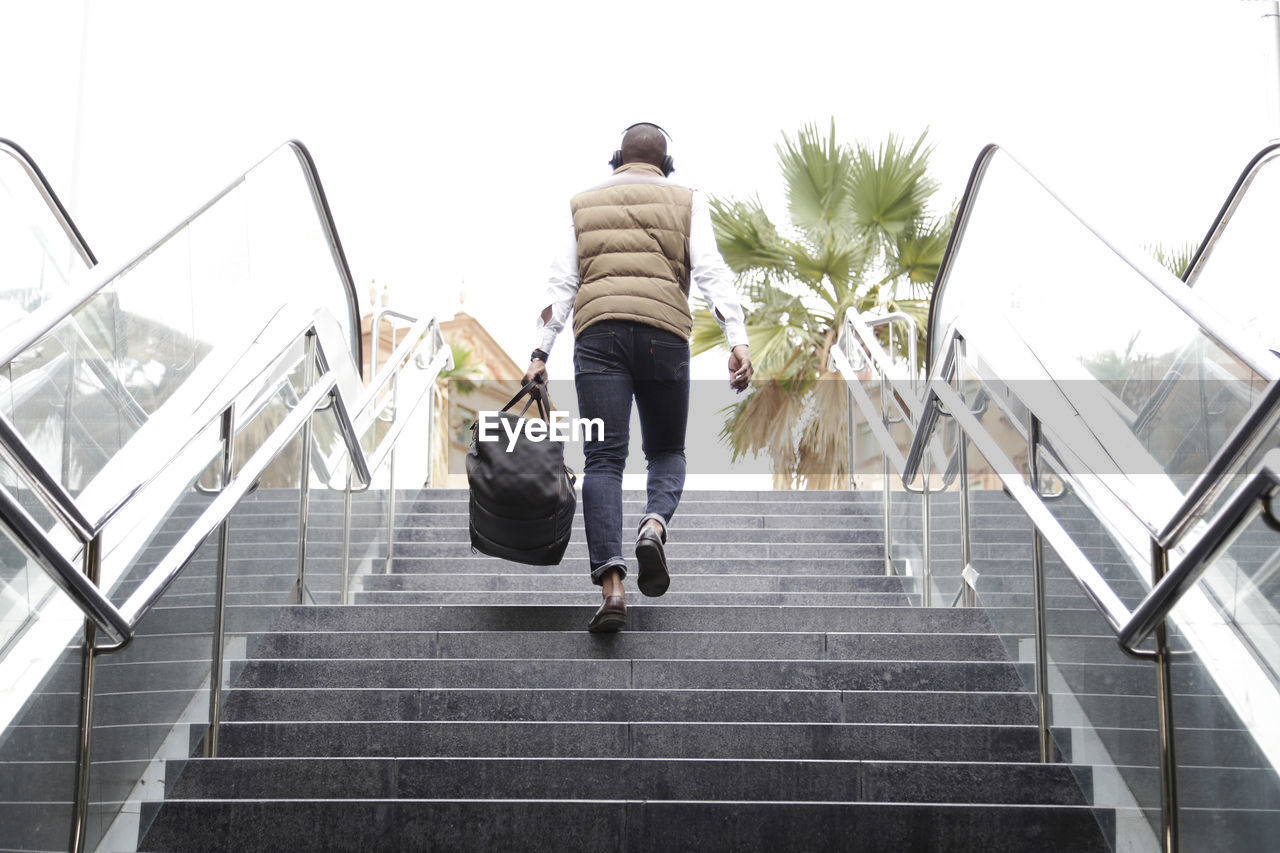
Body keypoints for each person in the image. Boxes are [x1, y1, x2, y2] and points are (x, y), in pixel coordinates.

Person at [524, 122, 752, 633]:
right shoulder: (687, 199)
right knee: (667, 452)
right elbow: (712, 271)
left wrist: (540, 352)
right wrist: (736, 338)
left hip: (598, 335)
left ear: (616, 159)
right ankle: (654, 524)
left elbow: (561, 284)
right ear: (666, 164)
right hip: (664, 335)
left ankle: (613, 588)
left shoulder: (581, 202)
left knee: (604, 459)